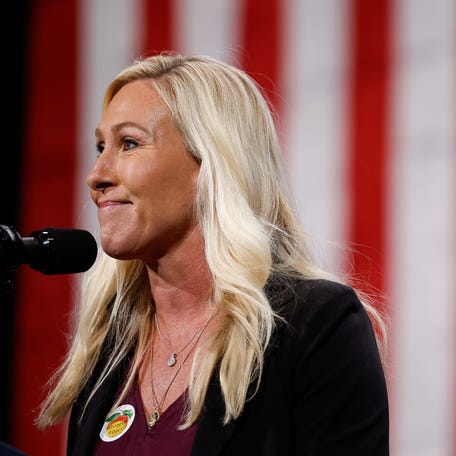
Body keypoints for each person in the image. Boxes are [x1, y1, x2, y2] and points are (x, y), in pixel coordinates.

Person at [36, 52, 389, 455]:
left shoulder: (312, 326)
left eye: (129, 143)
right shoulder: (112, 344)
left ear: (210, 163)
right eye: (102, 146)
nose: (96, 175)